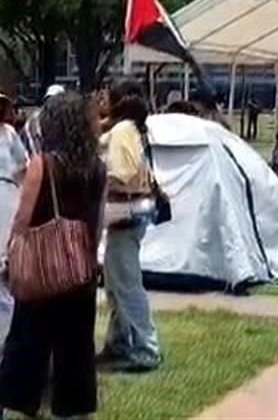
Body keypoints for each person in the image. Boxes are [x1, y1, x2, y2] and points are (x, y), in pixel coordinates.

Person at [0, 93, 105, 420]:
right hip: (80, 265)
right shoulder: (96, 166)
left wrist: (11, 254)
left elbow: (23, 218)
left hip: (41, 263)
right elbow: (99, 217)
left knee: (26, 339)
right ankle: (75, 410)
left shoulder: (43, 164)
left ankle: (3, 407)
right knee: (77, 344)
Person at [98, 79, 162, 372]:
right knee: (116, 282)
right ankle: (120, 342)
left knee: (126, 284)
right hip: (130, 216)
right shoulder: (130, 129)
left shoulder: (122, 130)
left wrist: (96, 177)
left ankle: (145, 348)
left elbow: (122, 173)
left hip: (125, 213)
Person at [23, 84, 65, 155]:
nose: (52, 103)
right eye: (50, 99)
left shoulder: (68, 120)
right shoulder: (35, 119)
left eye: (56, 100)